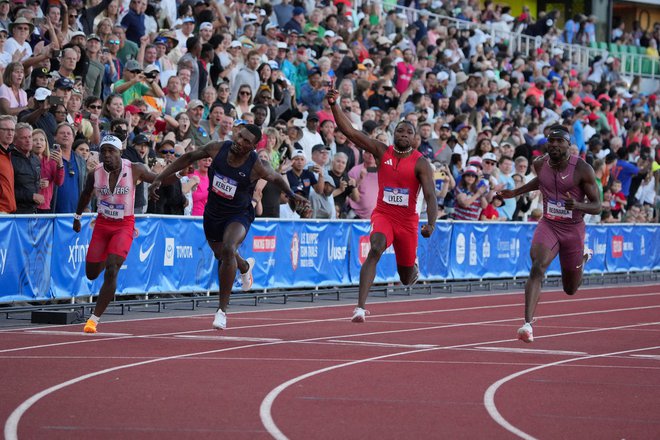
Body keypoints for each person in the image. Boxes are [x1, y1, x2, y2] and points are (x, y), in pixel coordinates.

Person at [149, 124, 307, 330]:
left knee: (229, 248)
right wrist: (160, 178)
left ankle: (221, 311)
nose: (239, 142)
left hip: (238, 214)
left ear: (252, 146)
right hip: (213, 213)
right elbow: (188, 158)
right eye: (239, 136)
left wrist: (293, 195)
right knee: (223, 254)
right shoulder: (218, 148)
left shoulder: (255, 165)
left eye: (245, 141)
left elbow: (276, 177)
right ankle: (244, 266)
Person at [326, 89, 437, 323]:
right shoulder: (380, 150)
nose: (404, 134)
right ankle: (359, 307)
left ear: (415, 138)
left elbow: (430, 196)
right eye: (400, 130)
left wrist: (431, 224)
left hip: (407, 222)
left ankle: (412, 264)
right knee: (375, 247)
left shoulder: (421, 163)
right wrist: (334, 104)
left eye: (409, 132)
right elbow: (351, 132)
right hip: (384, 214)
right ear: (393, 133)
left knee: (405, 278)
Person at [498, 125, 601, 343]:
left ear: (568, 144)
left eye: (559, 141)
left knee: (570, 289)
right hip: (549, 224)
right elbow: (541, 181)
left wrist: (579, 206)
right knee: (537, 266)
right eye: (550, 141)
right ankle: (527, 324)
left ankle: (582, 258)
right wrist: (514, 192)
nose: (554, 144)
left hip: (573, 229)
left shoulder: (583, 169)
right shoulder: (539, 163)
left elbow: (598, 205)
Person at [74, 135, 174, 334]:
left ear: (120, 152)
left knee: (112, 269)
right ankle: (107, 255)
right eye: (104, 152)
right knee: (91, 273)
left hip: (124, 225)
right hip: (102, 224)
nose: (108, 155)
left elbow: (160, 179)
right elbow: (86, 194)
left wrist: (175, 173)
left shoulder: (135, 168)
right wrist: (77, 217)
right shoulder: (95, 173)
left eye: (112, 151)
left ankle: (93, 319)